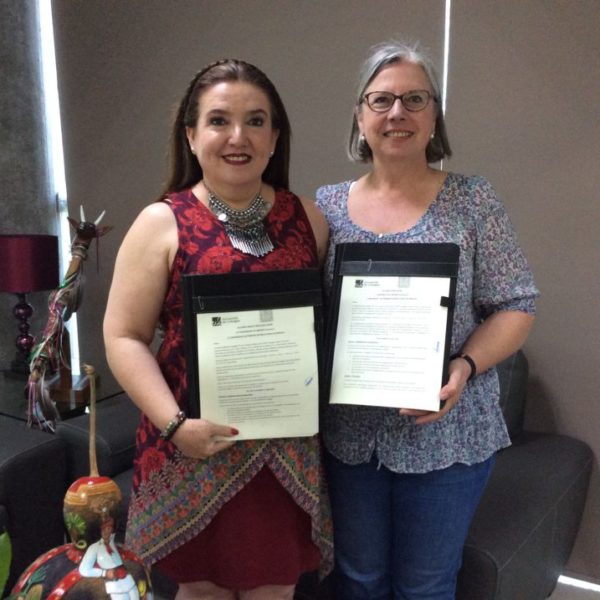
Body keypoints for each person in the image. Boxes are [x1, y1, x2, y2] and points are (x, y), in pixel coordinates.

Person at [315, 40, 539, 599]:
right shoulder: (326, 207)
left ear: (434, 116)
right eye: (382, 99)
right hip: (350, 437)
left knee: (426, 586)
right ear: (359, 116)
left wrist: (465, 366)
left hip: (448, 436)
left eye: (415, 99)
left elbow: (517, 304)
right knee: (357, 579)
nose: (398, 112)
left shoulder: (473, 200)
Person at [103, 59, 332, 600]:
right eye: (218, 120)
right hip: (191, 446)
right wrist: (175, 424)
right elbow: (124, 337)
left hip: (284, 455)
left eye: (256, 121)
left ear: (275, 137)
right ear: (191, 135)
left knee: (274, 590)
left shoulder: (310, 219)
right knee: (200, 592)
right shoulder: (160, 222)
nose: (238, 137)